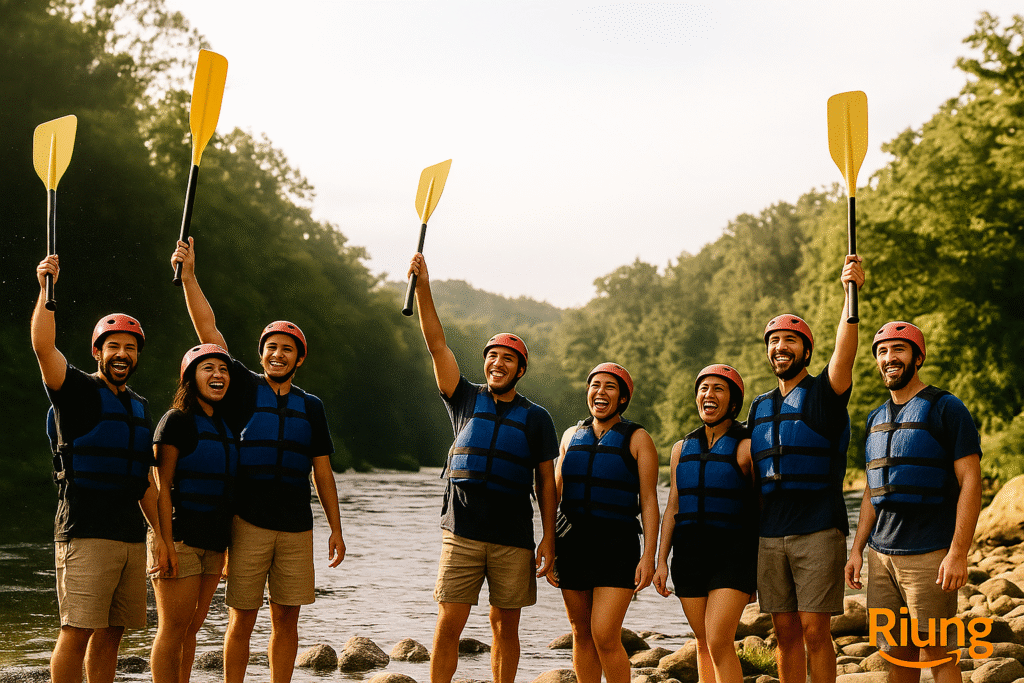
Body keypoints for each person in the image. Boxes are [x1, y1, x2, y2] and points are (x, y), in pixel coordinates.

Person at [171, 238, 345, 683]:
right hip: (245, 523)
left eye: (287, 349)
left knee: (288, 619)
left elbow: (322, 471)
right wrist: (190, 277)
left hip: (296, 527)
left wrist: (336, 528)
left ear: (299, 358)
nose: (277, 354)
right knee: (242, 617)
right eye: (271, 347)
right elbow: (209, 332)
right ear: (261, 352)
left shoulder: (313, 407)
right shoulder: (243, 387)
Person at [406, 253, 559, 683]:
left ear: (520, 370)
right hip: (462, 532)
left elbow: (546, 482)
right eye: (493, 357)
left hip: (513, 538)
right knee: (448, 623)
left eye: (508, 359)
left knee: (504, 627)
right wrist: (423, 288)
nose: (498, 363)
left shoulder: (536, 418)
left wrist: (549, 536)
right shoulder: (463, 397)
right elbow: (437, 342)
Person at [31, 255, 159, 683]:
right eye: (114, 346)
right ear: (97, 351)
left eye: (130, 348)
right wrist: (46, 291)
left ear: (137, 355)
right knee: (77, 631)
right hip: (84, 530)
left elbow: (145, 483)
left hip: (128, 535)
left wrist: (163, 537)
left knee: (112, 634)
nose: (122, 354)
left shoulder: (139, 407)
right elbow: (43, 348)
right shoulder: (77, 392)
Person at [747, 254, 864, 683]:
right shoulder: (759, 406)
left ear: (806, 350)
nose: (781, 348)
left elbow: (845, 351)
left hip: (818, 527)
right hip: (771, 531)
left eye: (790, 341)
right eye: (774, 342)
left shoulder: (824, 393)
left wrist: (850, 294)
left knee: (816, 631)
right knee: (784, 632)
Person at [845, 322, 981, 683]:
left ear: (917, 358)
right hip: (881, 555)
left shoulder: (946, 408)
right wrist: (857, 550)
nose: (890, 358)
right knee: (896, 655)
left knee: (938, 652)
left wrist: (958, 552)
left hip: (930, 554)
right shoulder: (875, 418)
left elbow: (971, 482)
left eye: (899, 350)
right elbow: (875, 494)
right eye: (882, 352)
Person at [553, 362, 659, 683]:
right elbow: (552, 498)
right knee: (580, 633)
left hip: (618, 547)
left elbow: (650, 502)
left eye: (610, 387)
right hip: (572, 547)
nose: (600, 392)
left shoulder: (638, 438)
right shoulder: (571, 435)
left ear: (623, 398)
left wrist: (648, 556)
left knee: (604, 634)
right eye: (595, 385)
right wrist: (549, 546)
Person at [654, 364, 757, 683]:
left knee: (718, 641)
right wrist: (661, 561)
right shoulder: (680, 449)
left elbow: (762, 508)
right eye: (703, 388)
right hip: (688, 557)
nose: (708, 394)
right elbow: (673, 506)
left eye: (718, 389)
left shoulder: (747, 446)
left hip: (733, 557)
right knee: (702, 642)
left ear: (734, 401)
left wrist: (760, 567)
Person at [149, 344, 238, 683]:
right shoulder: (176, 421)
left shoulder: (227, 426)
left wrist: (228, 548)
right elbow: (162, 487)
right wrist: (164, 541)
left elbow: (229, 492)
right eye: (208, 368)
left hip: (214, 543)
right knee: (172, 628)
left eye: (223, 369)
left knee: (192, 627)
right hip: (180, 538)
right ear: (191, 377)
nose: (218, 375)